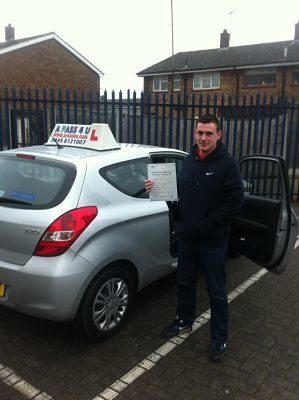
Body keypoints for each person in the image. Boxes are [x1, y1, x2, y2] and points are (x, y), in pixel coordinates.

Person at [145, 114, 244, 362]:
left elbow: (234, 203)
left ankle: (219, 339)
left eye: (209, 133)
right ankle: (183, 320)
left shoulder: (227, 164)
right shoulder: (189, 160)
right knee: (184, 284)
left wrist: (206, 224)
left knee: (217, 292)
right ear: (194, 133)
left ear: (219, 135)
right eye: (200, 132)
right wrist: (160, 192)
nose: (203, 138)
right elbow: (180, 197)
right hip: (188, 238)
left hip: (212, 240)